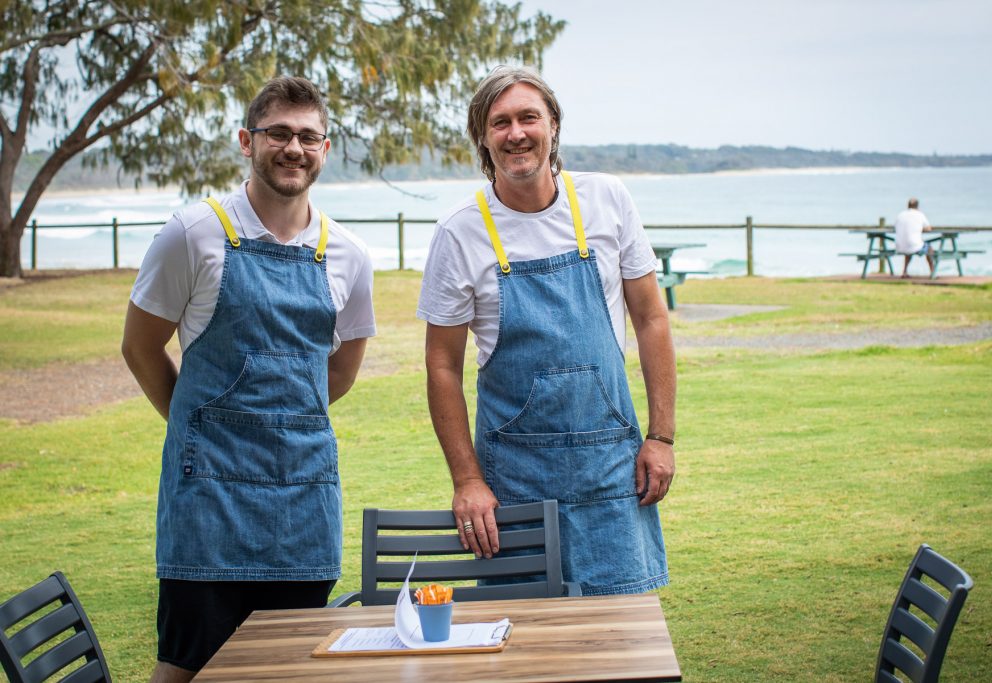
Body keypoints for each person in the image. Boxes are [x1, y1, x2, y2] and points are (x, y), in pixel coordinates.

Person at [121, 76, 375, 682]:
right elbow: (139, 347)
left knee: (290, 669)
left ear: (326, 148)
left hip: (303, 501)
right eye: (278, 134)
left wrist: (281, 422)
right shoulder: (192, 234)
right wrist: (199, 425)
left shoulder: (349, 254)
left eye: (308, 137)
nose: (294, 148)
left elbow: (337, 373)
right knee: (187, 669)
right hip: (208, 501)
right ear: (246, 141)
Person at [417, 66, 673, 596]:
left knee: (621, 643)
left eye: (528, 117)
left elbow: (651, 320)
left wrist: (661, 437)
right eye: (500, 122)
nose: (516, 133)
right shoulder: (459, 232)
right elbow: (442, 365)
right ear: (483, 140)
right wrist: (467, 480)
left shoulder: (608, 199)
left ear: (553, 124)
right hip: (514, 479)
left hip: (611, 469)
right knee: (526, 648)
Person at [893, 197, 934, 278]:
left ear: (908, 206)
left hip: (899, 246)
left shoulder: (901, 215)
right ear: (917, 206)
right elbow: (929, 228)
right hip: (914, 245)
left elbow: (895, 226)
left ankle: (904, 272)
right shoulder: (919, 214)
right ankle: (933, 272)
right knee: (929, 249)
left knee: (909, 250)